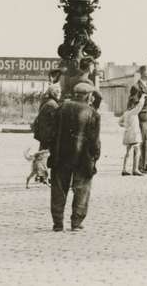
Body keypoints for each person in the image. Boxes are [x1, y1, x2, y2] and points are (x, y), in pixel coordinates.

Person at [48, 82, 101, 232]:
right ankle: (76, 222)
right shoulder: (93, 113)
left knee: (58, 189)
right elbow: (94, 141)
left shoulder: (61, 108)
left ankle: (58, 223)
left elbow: (51, 133)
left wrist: (52, 152)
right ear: (89, 96)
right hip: (82, 158)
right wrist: (95, 157)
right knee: (82, 189)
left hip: (60, 156)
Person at [119, 94, 146, 176]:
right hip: (134, 134)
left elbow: (120, 122)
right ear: (134, 104)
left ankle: (124, 169)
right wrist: (142, 97)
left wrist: (126, 126)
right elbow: (140, 106)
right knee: (137, 151)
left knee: (128, 152)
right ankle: (135, 169)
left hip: (127, 134)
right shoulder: (134, 112)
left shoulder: (126, 113)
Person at [33, 83, 61, 150]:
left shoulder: (47, 102)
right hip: (48, 137)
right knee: (45, 156)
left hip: (44, 136)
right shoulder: (53, 105)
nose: (60, 94)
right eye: (59, 92)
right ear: (54, 93)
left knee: (43, 154)